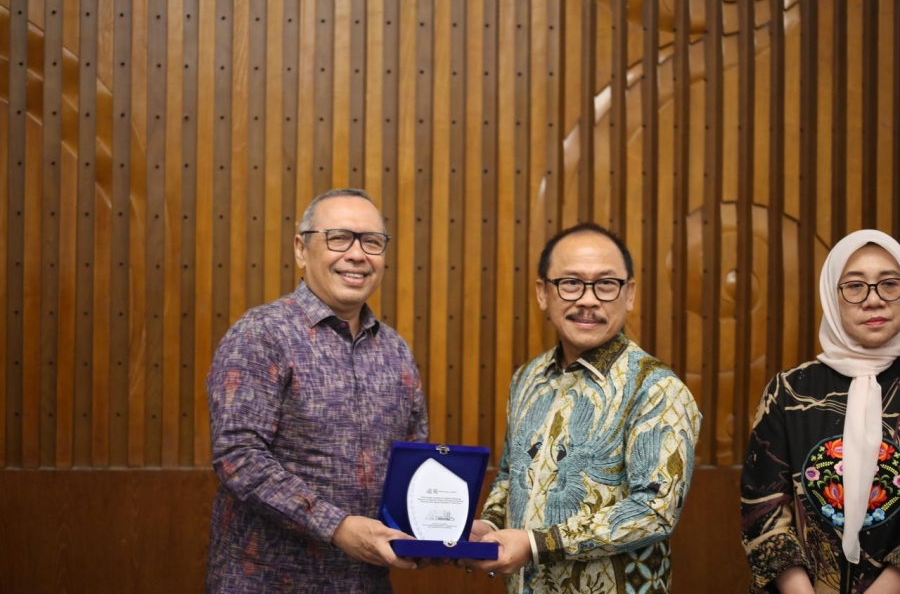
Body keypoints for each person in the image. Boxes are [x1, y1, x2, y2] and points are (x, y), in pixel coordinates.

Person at [205, 188, 429, 593]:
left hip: (365, 583)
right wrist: (336, 526)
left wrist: (442, 525)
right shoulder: (261, 334)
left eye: (371, 241)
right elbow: (239, 457)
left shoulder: (396, 350)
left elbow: (414, 460)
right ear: (301, 249)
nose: (357, 254)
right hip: (267, 582)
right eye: (339, 238)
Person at [461, 222, 701, 593]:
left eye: (606, 284)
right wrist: (489, 525)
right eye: (571, 283)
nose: (588, 299)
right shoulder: (528, 378)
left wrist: (538, 544)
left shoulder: (656, 389)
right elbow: (511, 473)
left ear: (629, 294)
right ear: (543, 293)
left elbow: (655, 510)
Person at [741, 229, 900, 594]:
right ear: (831, 295)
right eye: (855, 286)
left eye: (890, 284)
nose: (874, 300)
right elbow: (761, 509)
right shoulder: (789, 391)